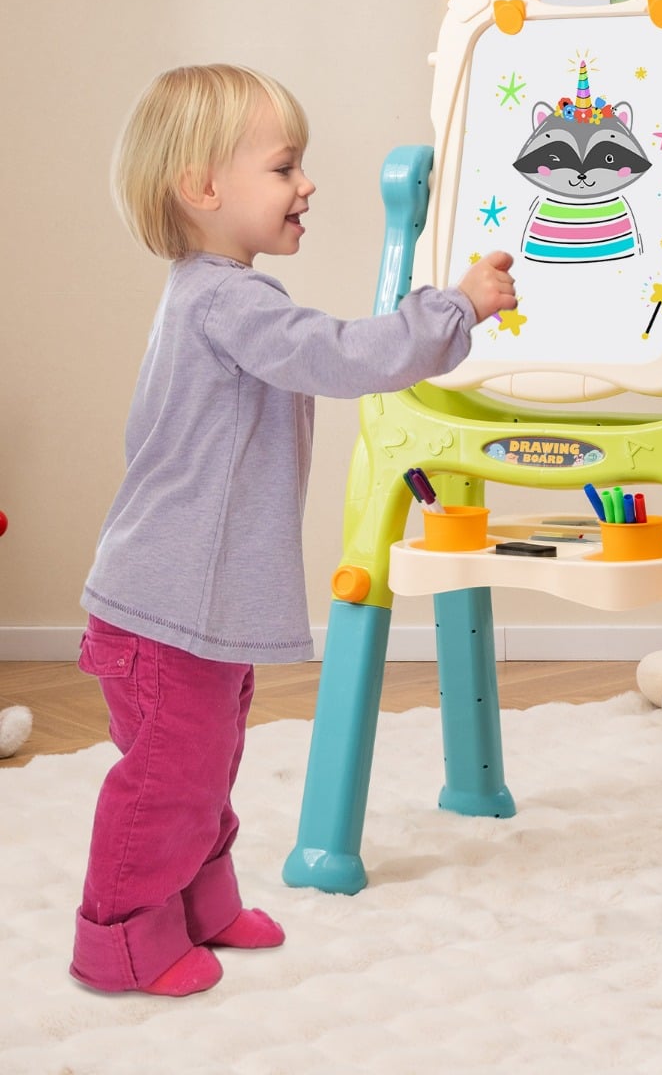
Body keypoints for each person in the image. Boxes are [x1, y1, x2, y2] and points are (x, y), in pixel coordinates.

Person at [71, 64, 517, 997]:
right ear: (203, 187)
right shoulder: (228, 302)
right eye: (284, 168)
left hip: (187, 605)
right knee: (169, 779)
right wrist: (456, 307)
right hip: (166, 609)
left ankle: (199, 904)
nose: (306, 184)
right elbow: (341, 356)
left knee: (205, 764)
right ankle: (119, 942)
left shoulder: (210, 295)